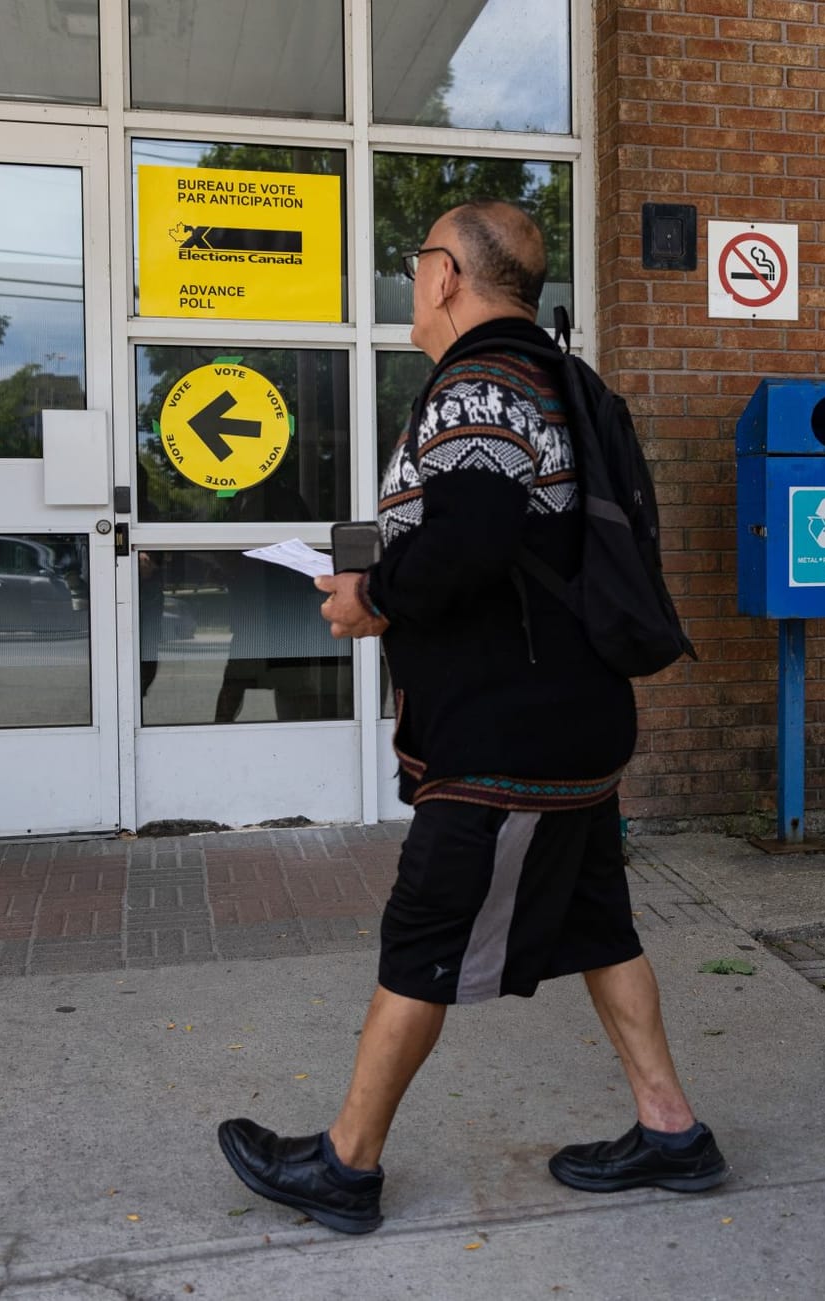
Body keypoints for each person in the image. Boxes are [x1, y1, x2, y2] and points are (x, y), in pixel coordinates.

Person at [214, 201, 727, 1235]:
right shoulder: (555, 377)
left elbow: (474, 537)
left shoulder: (478, 386)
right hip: (565, 719)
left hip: (502, 738)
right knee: (595, 921)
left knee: (425, 932)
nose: (410, 287)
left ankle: (345, 1166)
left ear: (447, 273)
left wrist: (373, 595)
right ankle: (671, 1128)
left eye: (415, 267)